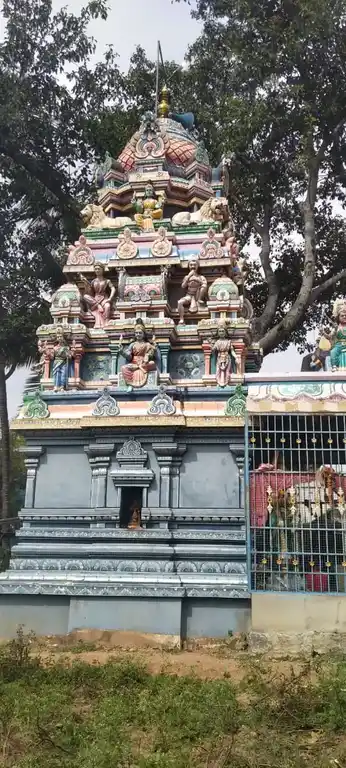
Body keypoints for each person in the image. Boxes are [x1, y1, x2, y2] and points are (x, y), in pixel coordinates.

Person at [120, 323, 156, 389]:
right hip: (134, 364)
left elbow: (151, 354)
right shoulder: (132, 345)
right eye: (136, 333)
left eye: (140, 333)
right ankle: (130, 383)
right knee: (123, 368)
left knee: (152, 363)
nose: (138, 334)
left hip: (144, 364)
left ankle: (140, 368)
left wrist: (148, 355)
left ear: (143, 334)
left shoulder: (147, 344)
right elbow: (129, 357)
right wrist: (122, 351)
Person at [79, 263, 115, 328]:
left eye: (99, 269)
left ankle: (106, 321)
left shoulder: (107, 281)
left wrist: (110, 298)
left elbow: (113, 288)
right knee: (85, 296)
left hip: (104, 298)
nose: (97, 270)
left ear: (102, 270)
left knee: (107, 306)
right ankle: (98, 305)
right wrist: (85, 282)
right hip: (95, 299)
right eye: (96, 269)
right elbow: (89, 292)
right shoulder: (93, 281)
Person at [177, 259, 207, 324]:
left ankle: (199, 300)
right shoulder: (186, 277)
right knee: (180, 302)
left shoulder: (201, 277)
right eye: (191, 265)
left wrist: (197, 279)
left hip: (197, 295)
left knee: (204, 286)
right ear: (188, 266)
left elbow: (204, 285)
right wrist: (189, 277)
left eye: (194, 265)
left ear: (197, 266)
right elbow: (183, 286)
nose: (193, 266)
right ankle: (181, 319)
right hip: (189, 296)